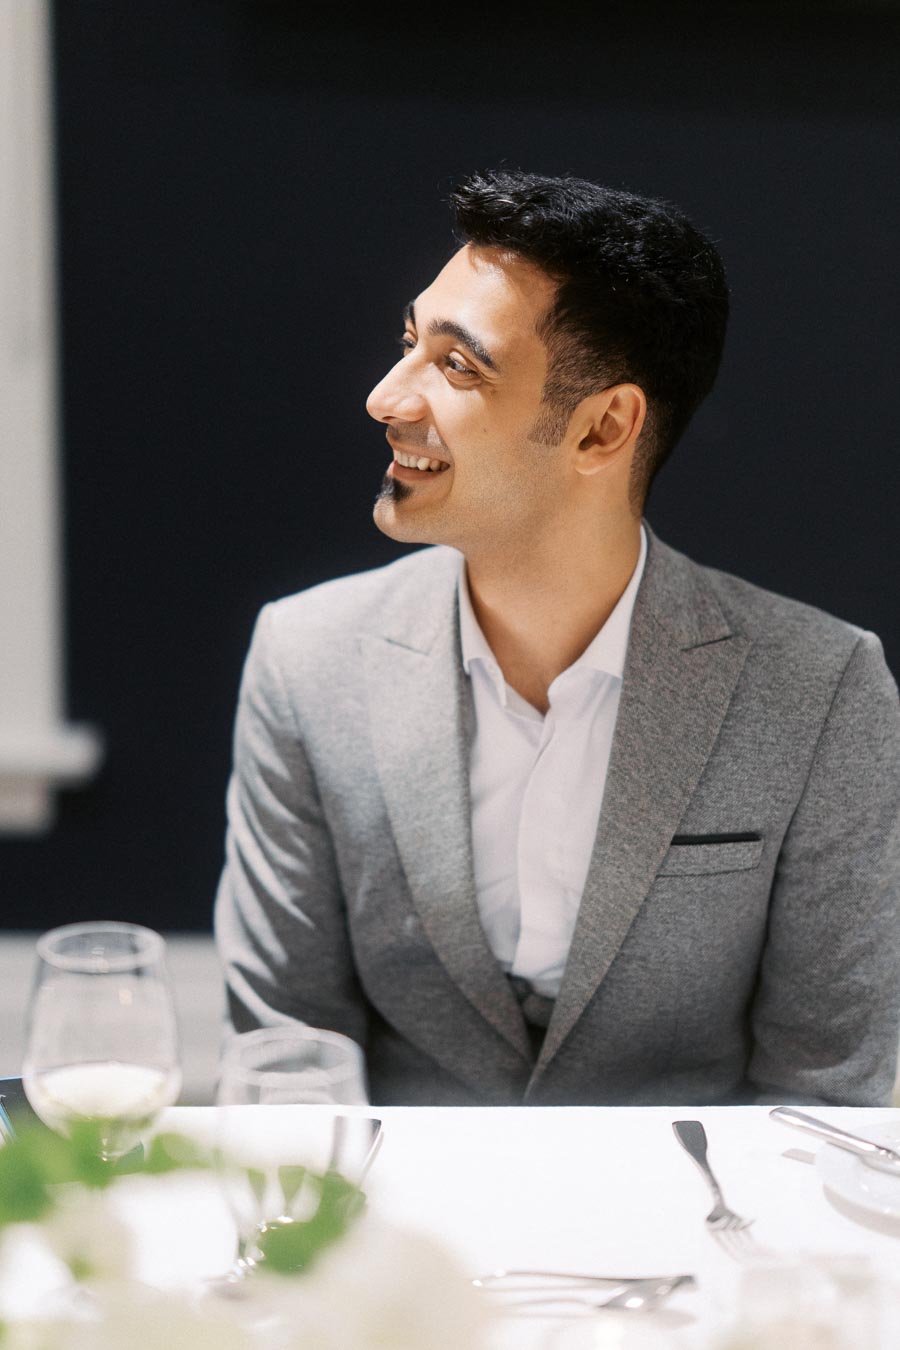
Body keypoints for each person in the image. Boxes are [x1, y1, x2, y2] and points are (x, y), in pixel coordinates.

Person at [214, 170, 900, 1106]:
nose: (385, 397)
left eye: (457, 366)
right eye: (411, 343)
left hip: (694, 1226)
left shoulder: (822, 689)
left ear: (603, 427)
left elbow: (828, 1089)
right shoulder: (306, 659)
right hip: (403, 1221)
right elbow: (288, 1048)